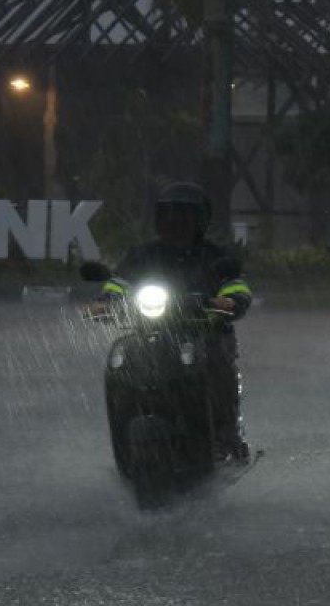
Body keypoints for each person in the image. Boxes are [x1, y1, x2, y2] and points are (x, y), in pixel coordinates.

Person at [92, 182, 254, 462]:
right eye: (168, 215)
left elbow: (236, 286)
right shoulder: (142, 255)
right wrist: (106, 300)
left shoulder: (216, 256)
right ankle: (122, 443)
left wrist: (229, 301)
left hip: (205, 332)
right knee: (120, 361)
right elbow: (119, 282)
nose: (175, 222)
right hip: (151, 331)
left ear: (200, 220)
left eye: (184, 215)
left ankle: (225, 438)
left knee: (216, 363)